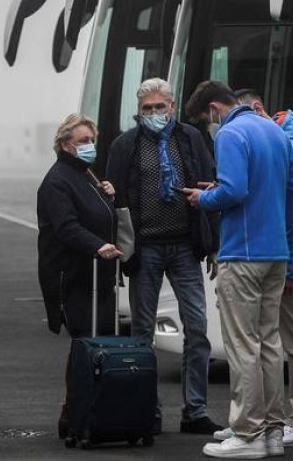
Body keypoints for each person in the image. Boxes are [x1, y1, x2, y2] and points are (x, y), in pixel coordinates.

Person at [182, 81, 293, 460]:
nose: (210, 126)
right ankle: (273, 431)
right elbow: (280, 188)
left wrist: (204, 197)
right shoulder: (273, 131)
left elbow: (233, 191)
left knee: (242, 345)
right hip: (276, 251)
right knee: (269, 343)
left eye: (206, 119)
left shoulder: (231, 133)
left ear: (215, 108)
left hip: (243, 253)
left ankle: (247, 434)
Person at [105, 78, 222, 435]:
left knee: (198, 329)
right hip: (147, 249)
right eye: (147, 109)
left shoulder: (191, 139)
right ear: (139, 111)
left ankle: (195, 411)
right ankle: (147, 411)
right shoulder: (125, 145)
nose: (154, 114)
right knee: (141, 333)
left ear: (172, 107)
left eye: (160, 107)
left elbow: (210, 186)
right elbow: (116, 203)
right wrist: (123, 255)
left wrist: (213, 243)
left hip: (186, 246)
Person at [236, 90, 293, 448]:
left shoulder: (291, 149)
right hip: (289, 258)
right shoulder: (292, 142)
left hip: (291, 262)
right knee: (284, 340)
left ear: (258, 110)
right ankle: (286, 421)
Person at [36, 114, 122, 440]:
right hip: (71, 275)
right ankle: (74, 414)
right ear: (64, 144)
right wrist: (98, 245)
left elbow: (96, 213)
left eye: (91, 140)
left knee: (96, 342)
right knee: (84, 340)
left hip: (99, 274)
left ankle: (92, 410)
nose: (89, 147)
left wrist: (110, 197)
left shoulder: (85, 174)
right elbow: (67, 226)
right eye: (82, 141)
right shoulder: (58, 180)